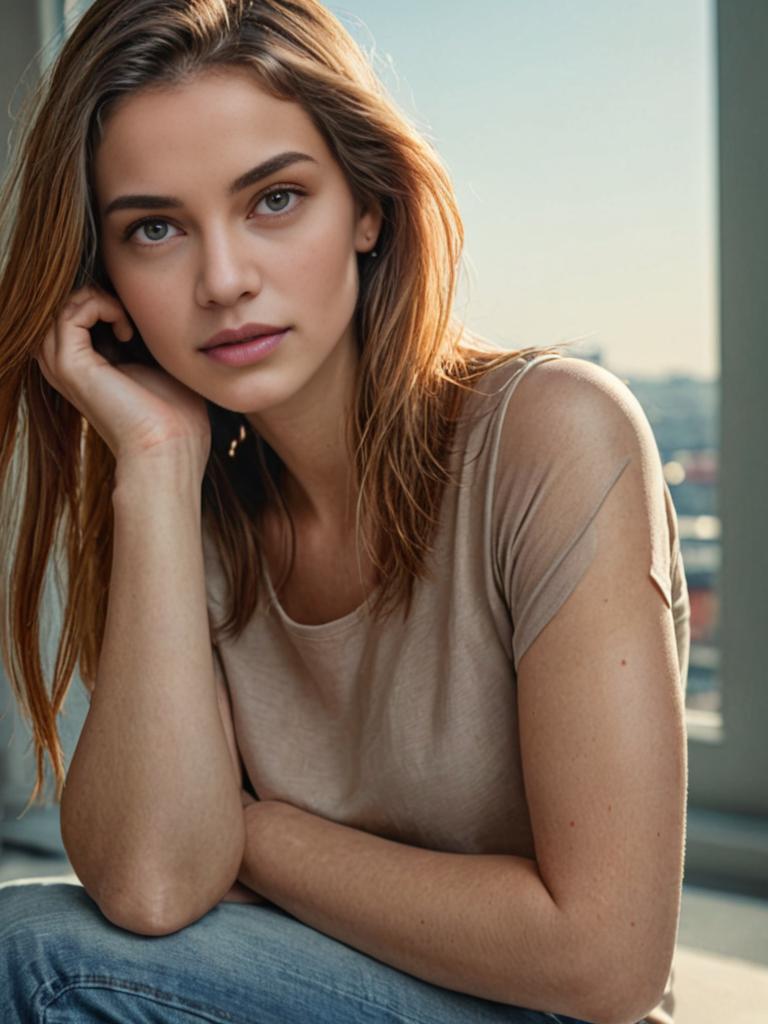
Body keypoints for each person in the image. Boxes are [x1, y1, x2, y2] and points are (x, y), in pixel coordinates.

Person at [0, 1, 689, 1021]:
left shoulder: (550, 431)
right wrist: (153, 460)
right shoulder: (189, 496)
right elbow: (151, 883)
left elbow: (606, 959)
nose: (225, 280)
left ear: (367, 206)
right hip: (308, 978)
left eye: (274, 200)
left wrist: (256, 834)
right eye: (155, 228)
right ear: (108, 279)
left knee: (32, 962)